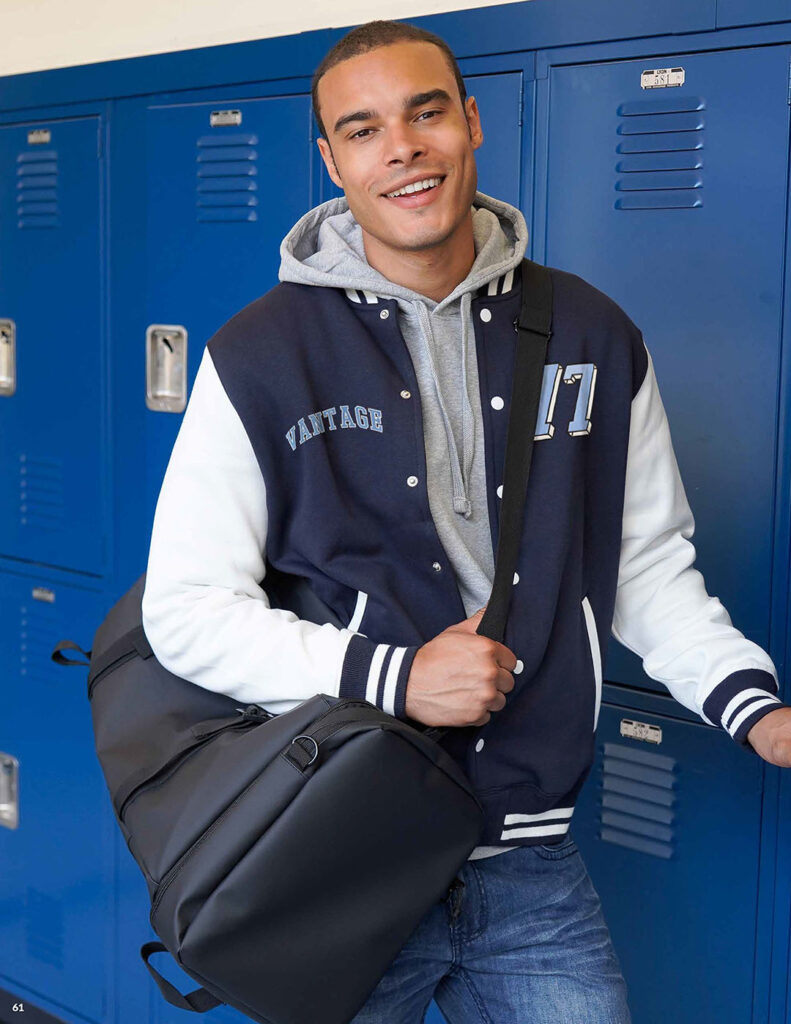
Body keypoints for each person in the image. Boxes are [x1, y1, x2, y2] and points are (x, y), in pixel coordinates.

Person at [141, 19, 791, 1023]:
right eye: (361, 130)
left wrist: (751, 704)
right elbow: (184, 613)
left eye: (424, 112)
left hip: (529, 867)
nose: (400, 147)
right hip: (339, 855)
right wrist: (397, 677)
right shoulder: (258, 356)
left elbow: (642, 565)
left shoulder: (589, 332)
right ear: (330, 160)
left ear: (469, 124)